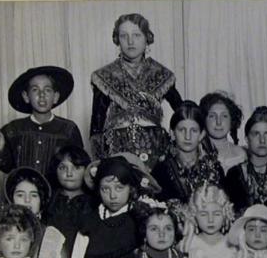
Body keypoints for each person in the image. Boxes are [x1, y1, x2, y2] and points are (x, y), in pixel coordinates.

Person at [89, 13, 183, 166]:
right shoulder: (105, 76)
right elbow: (96, 128)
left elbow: (183, 114)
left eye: (137, 35)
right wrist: (100, 164)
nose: (130, 41)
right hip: (118, 150)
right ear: (117, 40)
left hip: (156, 150)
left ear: (147, 38)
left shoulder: (161, 73)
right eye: (124, 36)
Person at [0, 66, 84, 175]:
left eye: (47, 90)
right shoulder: (12, 129)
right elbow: (6, 166)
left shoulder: (69, 129)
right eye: (35, 89)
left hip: (56, 192)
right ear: (26, 97)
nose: (41, 95)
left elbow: (79, 166)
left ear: (55, 97)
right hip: (23, 190)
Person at [41, 145, 95, 258]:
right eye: (63, 168)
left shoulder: (93, 203)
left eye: (76, 168)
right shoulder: (48, 199)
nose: (69, 173)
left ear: (87, 170)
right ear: (55, 170)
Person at [154, 100, 226, 205]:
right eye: (182, 130)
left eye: (194, 131)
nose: (188, 136)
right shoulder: (160, 171)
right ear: (172, 133)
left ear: (202, 134)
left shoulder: (215, 170)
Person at [181, 183, 235, 258]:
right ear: (194, 216)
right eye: (203, 214)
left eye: (216, 214)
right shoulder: (189, 244)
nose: (210, 220)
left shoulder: (232, 243)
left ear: (225, 215)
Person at [199, 91, 247, 170]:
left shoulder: (241, 154)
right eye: (212, 116)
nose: (218, 122)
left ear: (231, 120)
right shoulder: (196, 153)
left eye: (224, 116)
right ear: (204, 119)